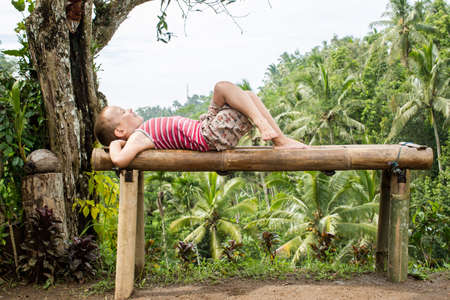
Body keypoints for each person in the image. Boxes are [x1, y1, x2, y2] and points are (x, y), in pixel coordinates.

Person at [94, 81, 309, 168]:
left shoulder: (140, 134)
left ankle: (280, 139)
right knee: (222, 87)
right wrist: (115, 146)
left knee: (247, 94)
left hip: (206, 127)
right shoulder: (137, 137)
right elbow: (121, 161)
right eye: (124, 112)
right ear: (120, 130)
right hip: (209, 135)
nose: (130, 110)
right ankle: (269, 131)